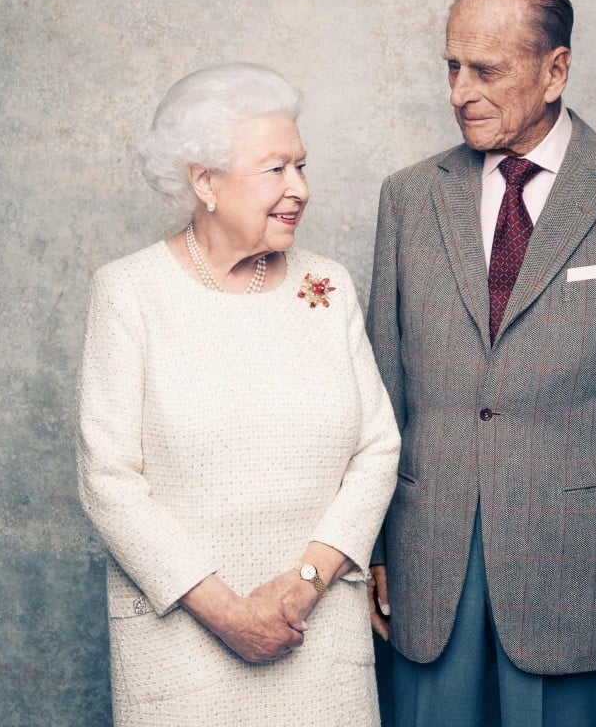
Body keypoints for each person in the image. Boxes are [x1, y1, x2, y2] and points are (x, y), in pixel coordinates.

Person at [366, 0, 596, 727]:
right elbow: (381, 393)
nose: (460, 92)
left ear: (555, 71)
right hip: (429, 555)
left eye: (486, 70)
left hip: (579, 563)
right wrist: (376, 549)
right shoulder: (407, 198)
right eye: (452, 67)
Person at [77, 62, 400, 727]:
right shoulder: (129, 293)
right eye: (276, 168)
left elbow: (377, 450)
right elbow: (108, 481)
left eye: (301, 166)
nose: (300, 188)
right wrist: (229, 615)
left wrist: (303, 587)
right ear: (206, 181)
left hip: (317, 640)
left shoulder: (327, 287)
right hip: (181, 650)